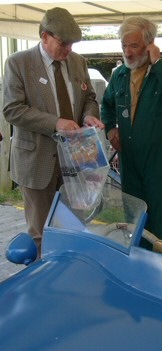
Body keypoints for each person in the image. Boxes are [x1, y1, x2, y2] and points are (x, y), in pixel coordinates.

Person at [2, 7, 104, 254]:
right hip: (36, 160)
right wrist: (56, 123)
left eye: (72, 44)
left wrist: (89, 115)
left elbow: (89, 98)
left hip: (75, 159)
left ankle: (70, 271)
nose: (68, 49)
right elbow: (12, 110)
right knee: (41, 233)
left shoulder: (78, 62)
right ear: (45, 36)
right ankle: (43, 273)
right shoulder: (18, 63)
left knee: (73, 227)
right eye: (63, 43)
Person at [101, 17, 162, 243]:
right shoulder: (120, 75)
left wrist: (158, 62)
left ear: (150, 44)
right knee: (135, 220)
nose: (127, 52)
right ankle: (138, 260)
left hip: (160, 163)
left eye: (134, 46)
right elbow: (107, 105)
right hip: (130, 161)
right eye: (124, 45)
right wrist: (111, 129)